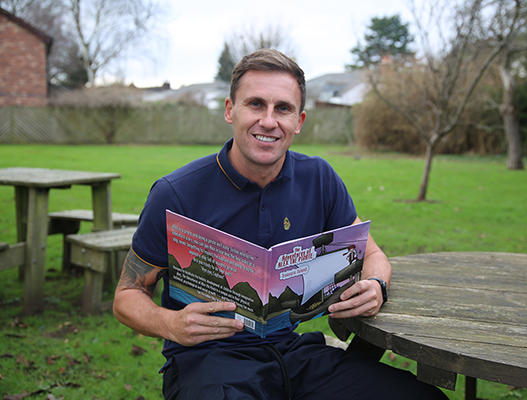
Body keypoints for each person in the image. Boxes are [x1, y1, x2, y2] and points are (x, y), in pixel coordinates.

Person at [113, 49, 447, 400]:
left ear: (299, 120)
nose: (269, 121)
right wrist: (171, 324)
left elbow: (372, 253)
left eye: (282, 108)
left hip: (292, 353)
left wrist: (376, 284)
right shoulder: (175, 193)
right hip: (209, 360)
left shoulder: (319, 178)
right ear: (230, 110)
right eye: (255, 104)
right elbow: (126, 295)